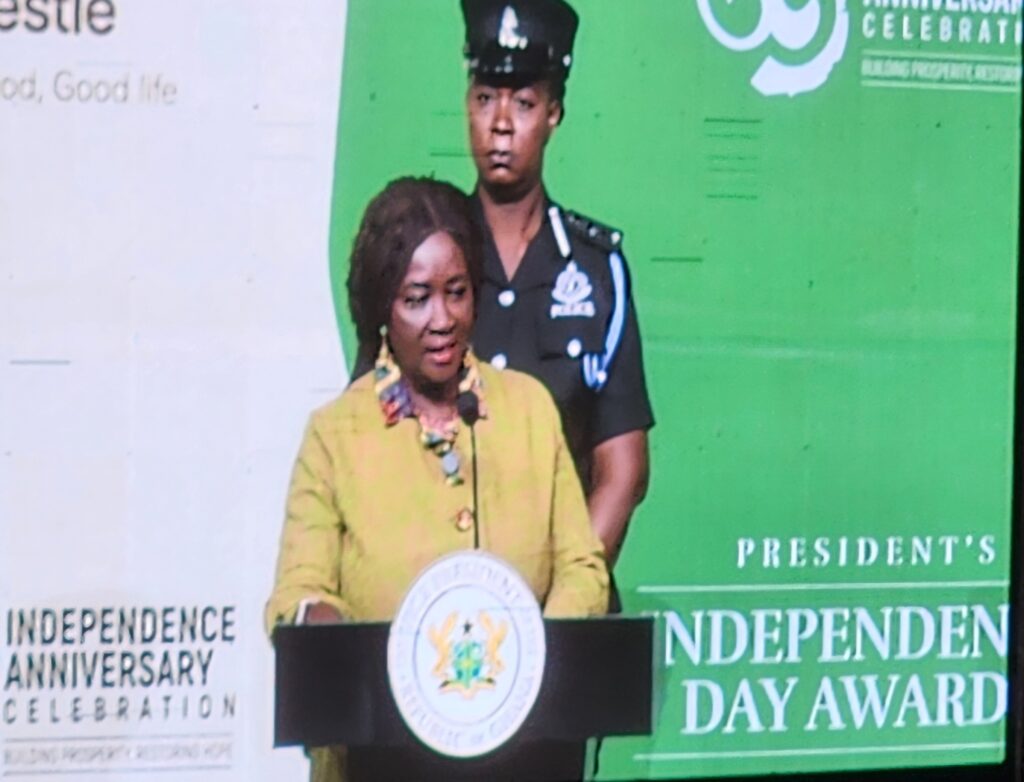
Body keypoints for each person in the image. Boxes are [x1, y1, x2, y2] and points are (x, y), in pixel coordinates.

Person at [265, 177, 608, 782]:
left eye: (457, 292)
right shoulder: (335, 435)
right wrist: (324, 627)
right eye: (417, 298)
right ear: (381, 308)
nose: (442, 319)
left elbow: (582, 568)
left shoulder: (528, 410)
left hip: (522, 753)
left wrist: (527, 665)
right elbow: (296, 595)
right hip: (378, 759)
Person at [461, 0, 654, 576]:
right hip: (444, 605)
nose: (501, 123)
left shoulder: (597, 271)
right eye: (485, 98)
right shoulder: (426, 259)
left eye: (523, 103)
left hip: (563, 603)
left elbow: (623, 470)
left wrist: (565, 597)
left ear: (554, 114)